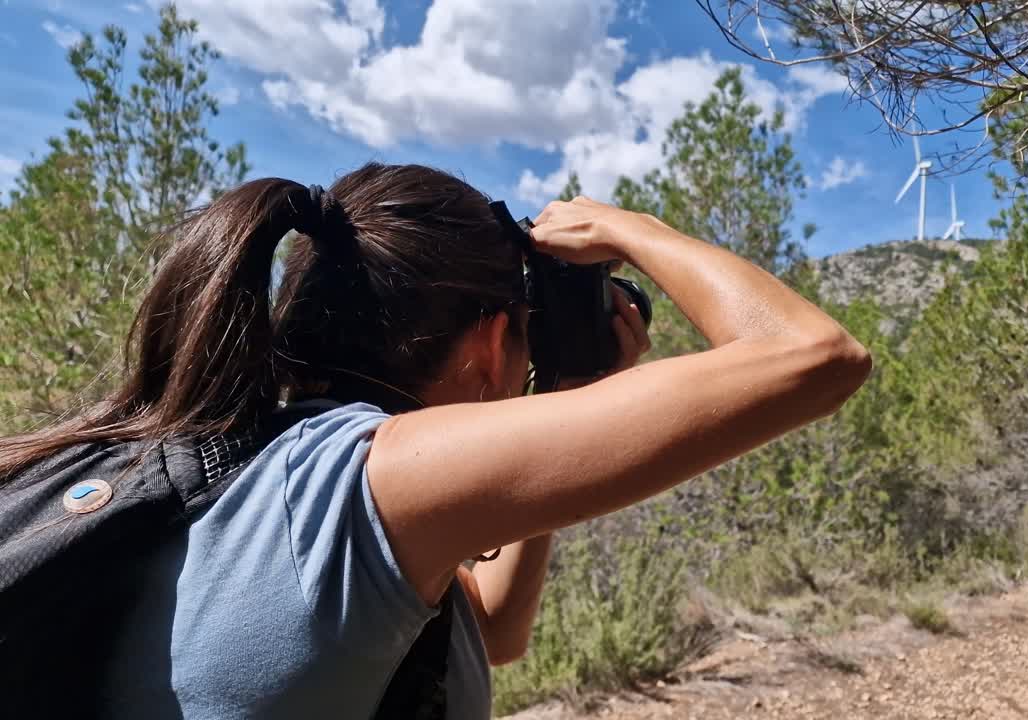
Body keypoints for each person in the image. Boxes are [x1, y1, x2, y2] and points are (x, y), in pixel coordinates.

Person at [0, 162, 871, 718]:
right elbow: (815, 355)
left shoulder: (249, 460)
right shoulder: (365, 476)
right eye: (523, 337)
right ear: (492, 343)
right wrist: (626, 230)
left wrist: (564, 389)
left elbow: (491, 631)